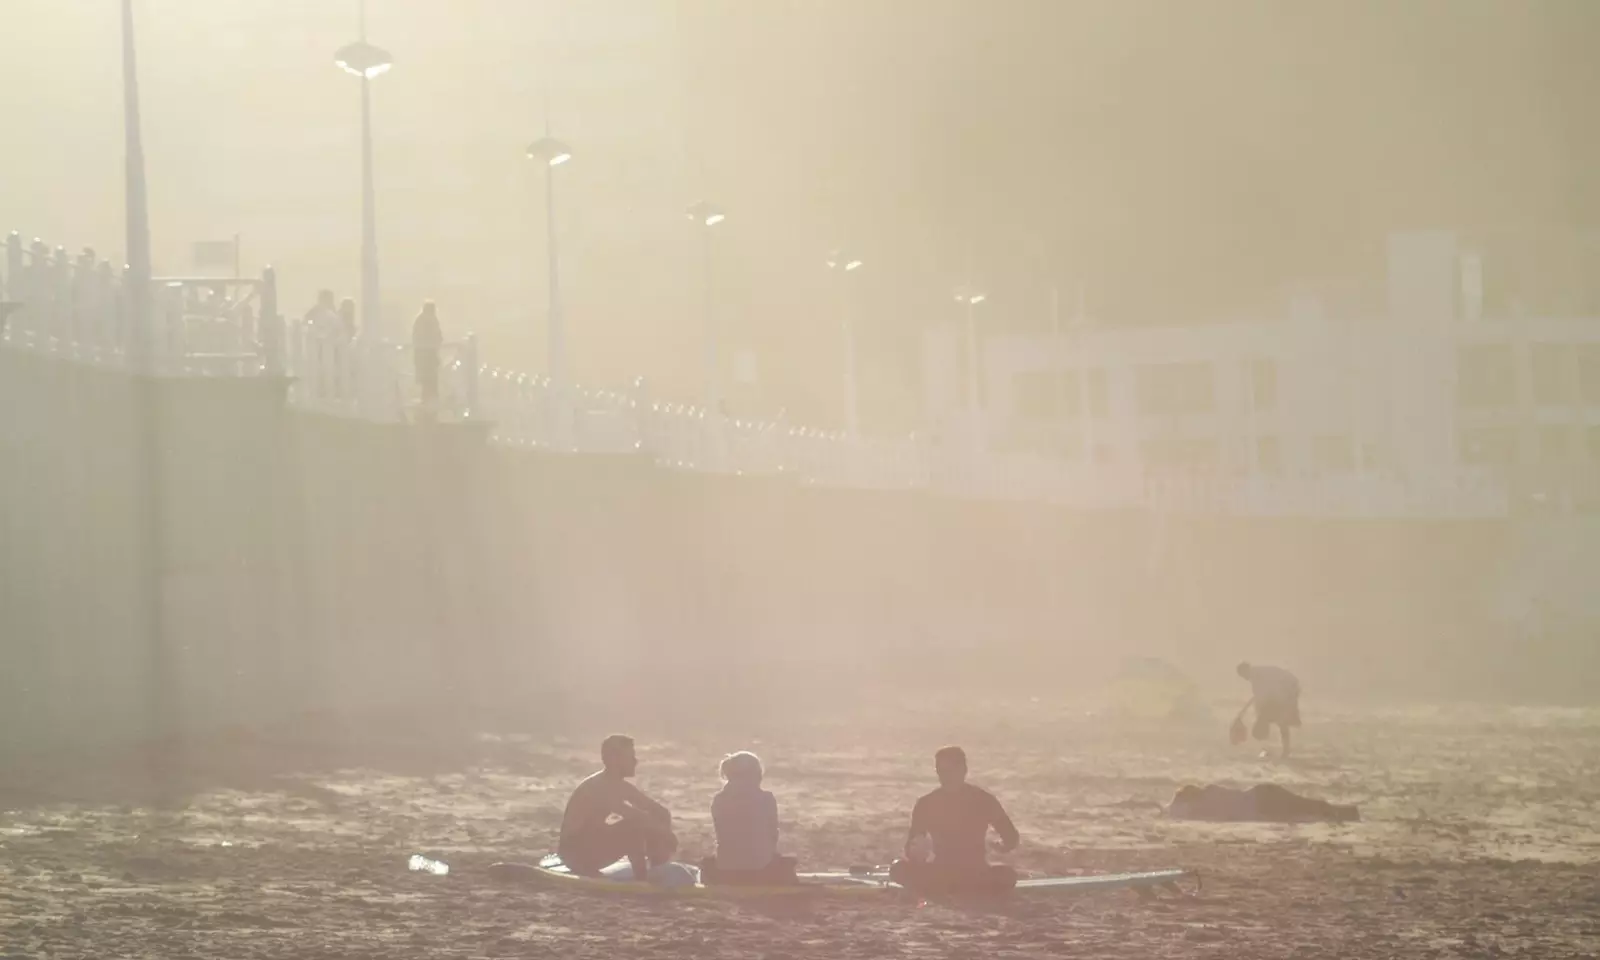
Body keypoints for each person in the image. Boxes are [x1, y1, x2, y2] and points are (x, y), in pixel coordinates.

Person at [890, 746, 1020, 894]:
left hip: (970, 872)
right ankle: (960, 887)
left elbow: (1011, 837)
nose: (945, 776)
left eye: (949, 771)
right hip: (947, 872)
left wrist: (1002, 847)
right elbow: (912, 845)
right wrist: (917, 853)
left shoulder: (982, 800)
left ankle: (943, 887)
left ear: (963, 770)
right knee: (898, 868)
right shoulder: (927, 803)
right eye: (941, 771)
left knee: (1007, 875)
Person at [556, 735, 678, 881]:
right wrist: (665, 833)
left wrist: (663, 827)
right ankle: (642, 880)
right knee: (633, 827)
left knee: (657, 816)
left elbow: (657, 810)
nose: (635, 761)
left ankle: (658, 868)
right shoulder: (599, 786)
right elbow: (635, 816)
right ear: (613, 760)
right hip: (576, 856)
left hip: (592, 846)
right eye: (630, 757)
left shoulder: (619, 785)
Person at [699, 751, 797, 886]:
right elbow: (773, 835)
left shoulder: (719, 800)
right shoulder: (766, 799)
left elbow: (721, 835)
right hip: (761, 869)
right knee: (787, 863)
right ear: (757, 775)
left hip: (726, 869)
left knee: (707, 863)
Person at [1166, 783, 1359, 823]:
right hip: (1261, 792)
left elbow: (1175, 811)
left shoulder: (1206, 805)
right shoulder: (1211, 791)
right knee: (1304, 805)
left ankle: (1345, 813)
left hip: (1262, 802)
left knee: (1304, 806)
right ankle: (1347, 813)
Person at [1235, 661, 1301, 758]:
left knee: (1282, 722)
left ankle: (1285, 750)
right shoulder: (1256, 675)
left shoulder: (1258, 675)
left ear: (1246, 670)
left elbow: (1264, 693)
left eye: (1243, 675)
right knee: (1280, 722)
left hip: (1288, 689)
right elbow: (1260, 694)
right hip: (1285, 691)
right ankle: (1283, 749)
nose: (1244, 678)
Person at [412, 300, 443, 404]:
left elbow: (438, 336)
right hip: (425, 355)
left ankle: (430, 398)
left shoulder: (424, 320)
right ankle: (428, 399)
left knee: (430, 378)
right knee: (428, 379)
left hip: (428, 355)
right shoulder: (423, 320)